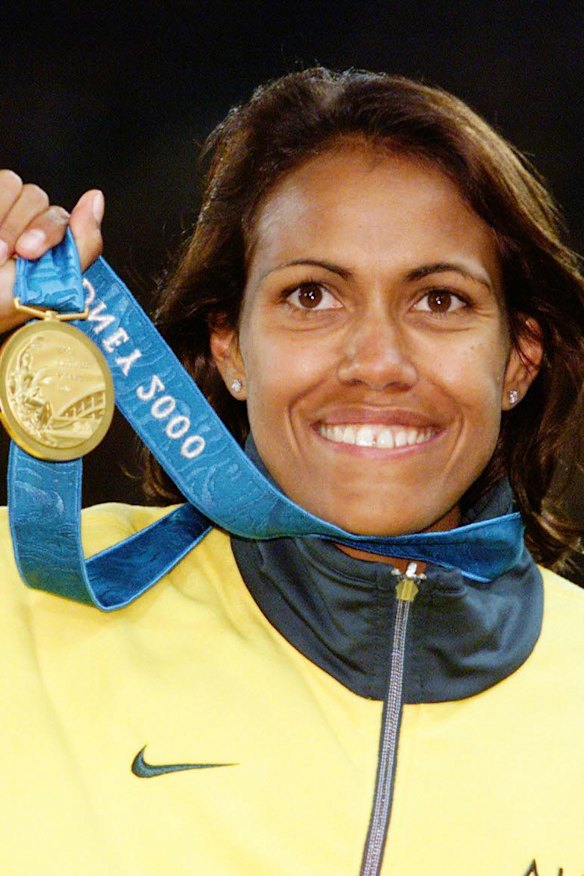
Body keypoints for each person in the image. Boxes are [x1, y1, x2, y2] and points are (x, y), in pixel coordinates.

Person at [0, 68, 582, 876]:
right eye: (312, 295)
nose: (377, 363)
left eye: (440, 300)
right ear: (231, 348)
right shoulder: (21, 604)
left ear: (519, 358)